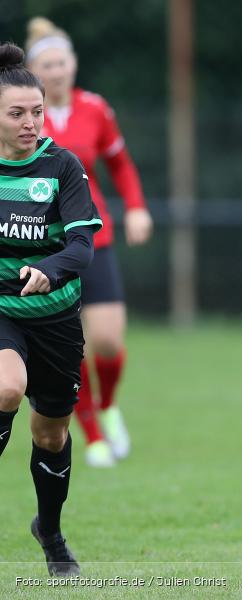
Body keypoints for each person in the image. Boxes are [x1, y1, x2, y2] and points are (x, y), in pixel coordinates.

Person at [25, 17, 153, 467]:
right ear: (33, 70)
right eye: (47, 65)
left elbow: (120, 164)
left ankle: (108, 405)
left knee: (107, 341)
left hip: (91, 236)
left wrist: (136, 207)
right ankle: (92, 433)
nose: (56, 72)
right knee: (69, 345)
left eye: (62, 62)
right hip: (40, 246)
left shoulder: (95, 109)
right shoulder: (22, 115)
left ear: (73, 64)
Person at [0, 42, 103, 576]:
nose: (29, 123)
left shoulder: (62, 165)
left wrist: (51, 270)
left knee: (51, 434)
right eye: (16, 113)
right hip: (2, 311)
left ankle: (51, 530)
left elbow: (82, 245)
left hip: (57, 316)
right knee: (4, 388)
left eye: (35, 111)